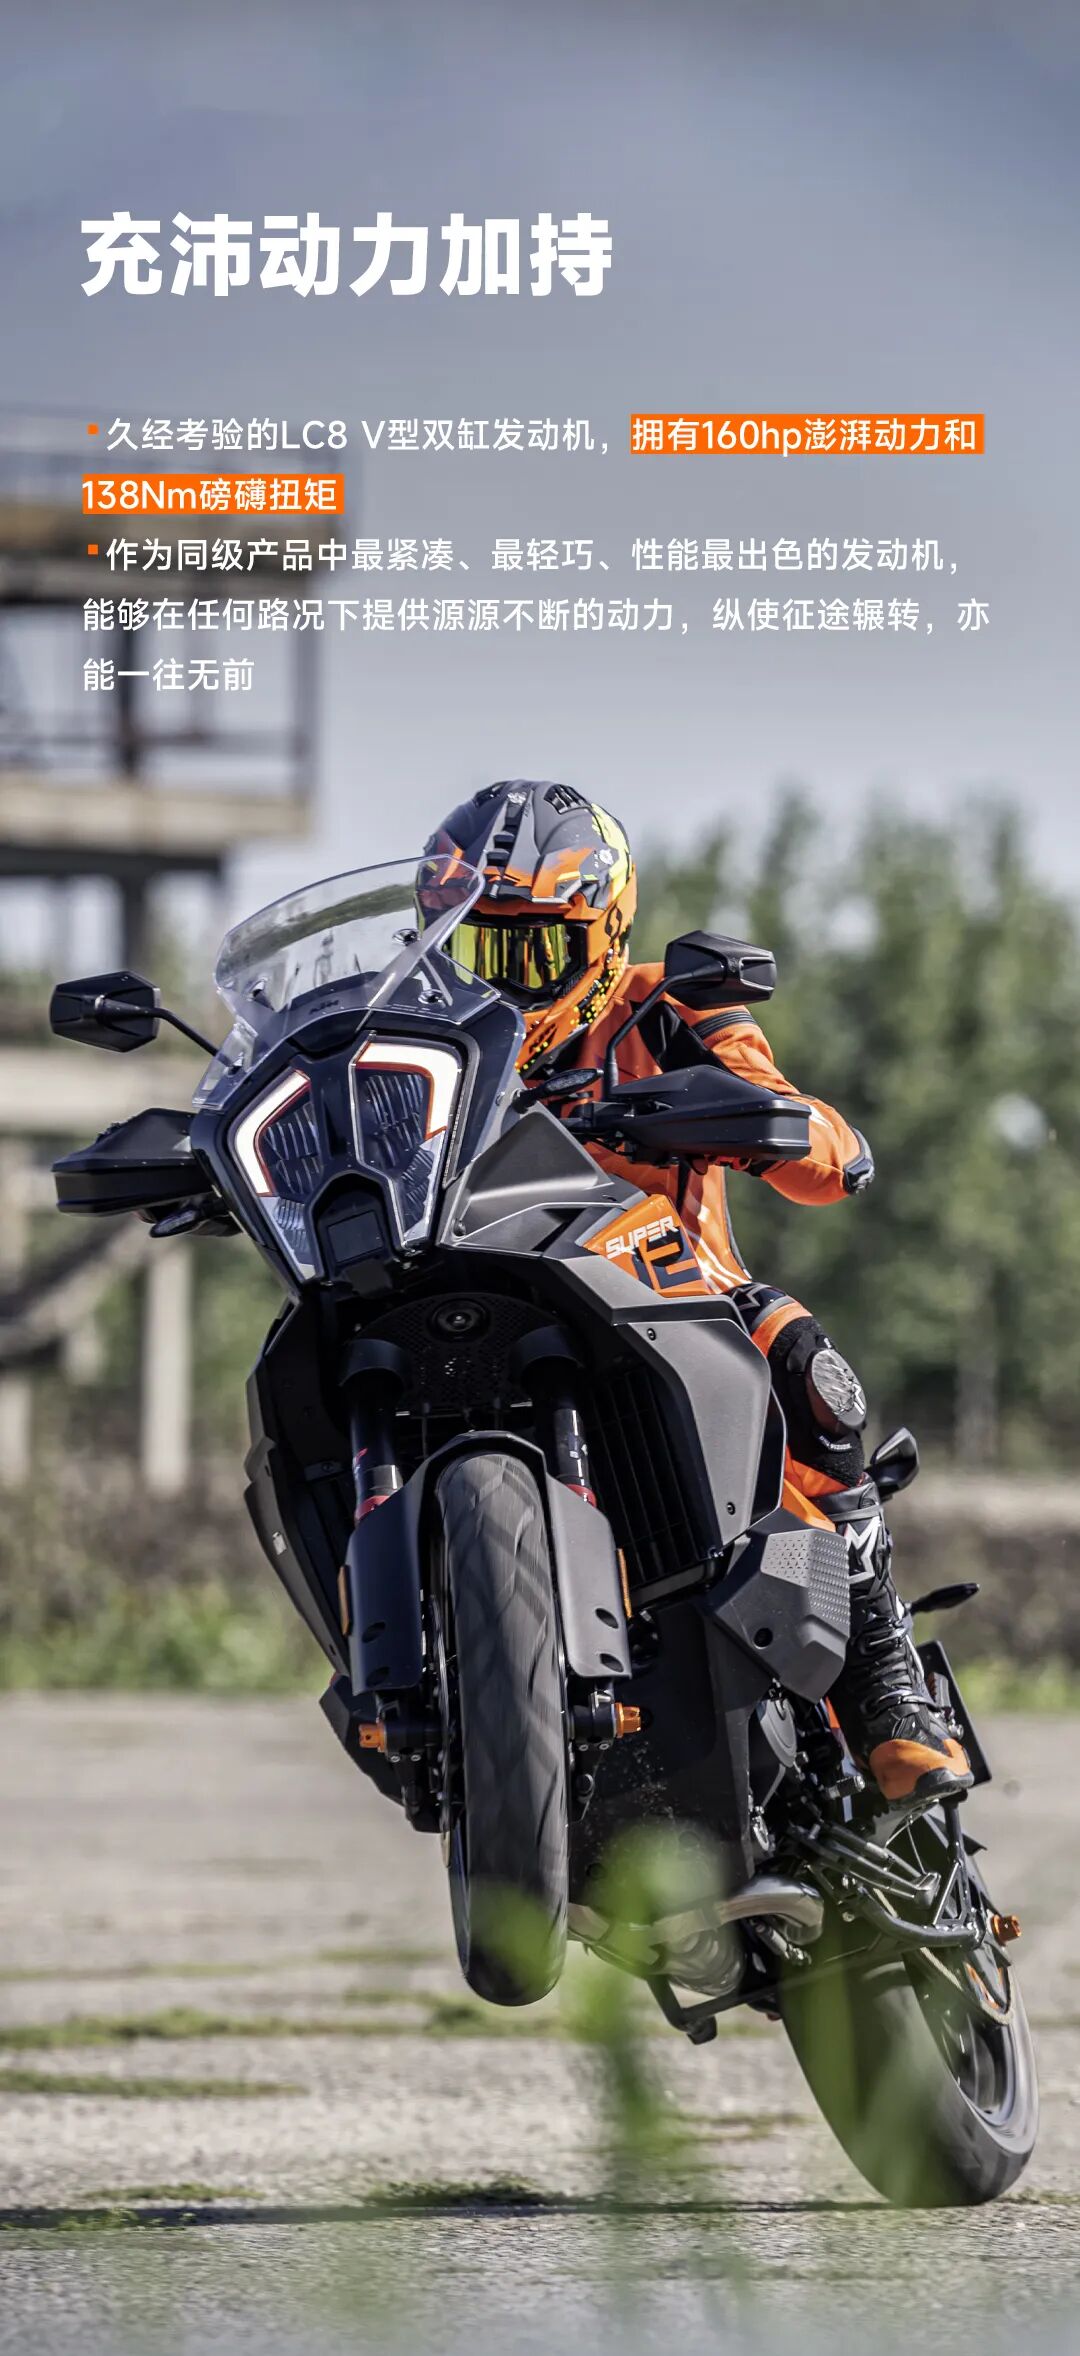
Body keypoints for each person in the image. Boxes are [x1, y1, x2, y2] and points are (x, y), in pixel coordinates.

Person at [426, 777, 971, 1808]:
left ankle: (885, 1687)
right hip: (468, 1290)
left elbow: (826, 1154)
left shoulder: (669, 1010)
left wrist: (750, 1118)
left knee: (803, 1363)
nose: (503, 981)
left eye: (533, 953)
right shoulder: (412, 1036)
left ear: (603, 935)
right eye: (475, 950)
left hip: (662, 1296)